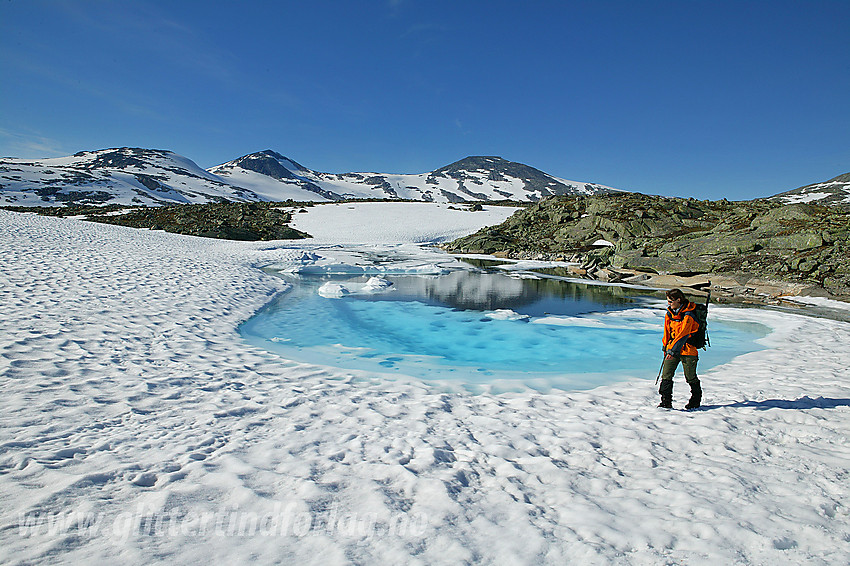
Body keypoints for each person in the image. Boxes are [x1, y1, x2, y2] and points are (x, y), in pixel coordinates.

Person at [658, 288, 702, 409]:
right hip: (672, 349)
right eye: (668, 301)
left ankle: (695, 400)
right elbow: (666, 332)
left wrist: (672, 351)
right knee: (666, 375)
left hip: (688, 350)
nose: (669, 304)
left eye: (670, 301)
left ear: (678, 300)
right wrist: (665, 348)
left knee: (690, 377)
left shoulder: (689, 315)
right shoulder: (669, 314)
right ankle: (665, 402)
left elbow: (683, 334)